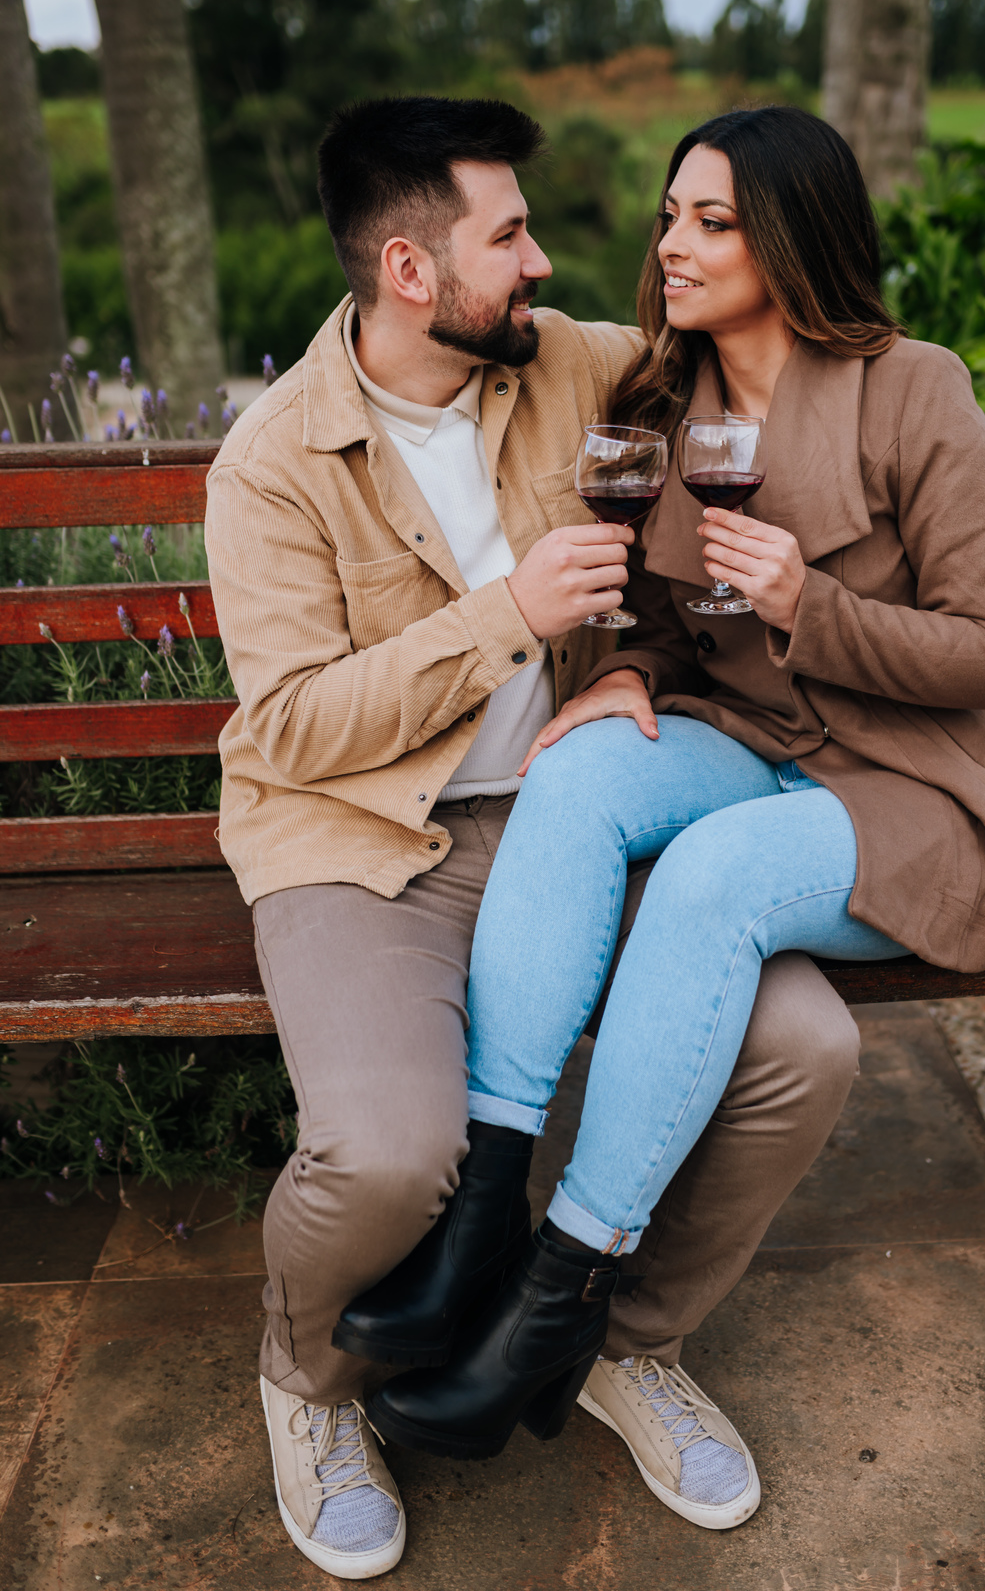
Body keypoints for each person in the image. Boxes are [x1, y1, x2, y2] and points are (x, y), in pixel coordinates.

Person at [205, 95, 869, 1578]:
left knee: (801, 1049)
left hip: (575, 815)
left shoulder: (575, 367)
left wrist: (638, 661)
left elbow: (747, 373)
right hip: (363, 844)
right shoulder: (271, 463)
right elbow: (293, 729)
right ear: (411, 270)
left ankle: (617, 1340)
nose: (545, 261)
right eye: (509, 237)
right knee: (391, 1154)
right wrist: (504, 617)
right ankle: (310, 1382)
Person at [363, 105, 985, 1528]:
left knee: (713, 875)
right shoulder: (665, 406)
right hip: (754, 748)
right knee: (579, 771)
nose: (672, 244)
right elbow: (676, 636)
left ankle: (558, 1300)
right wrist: (626, 676)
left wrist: (814, 604)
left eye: (713, 221)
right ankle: (480, 1221)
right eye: (673, 214)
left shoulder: (915, 391)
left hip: (911, 794)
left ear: (792, 239)